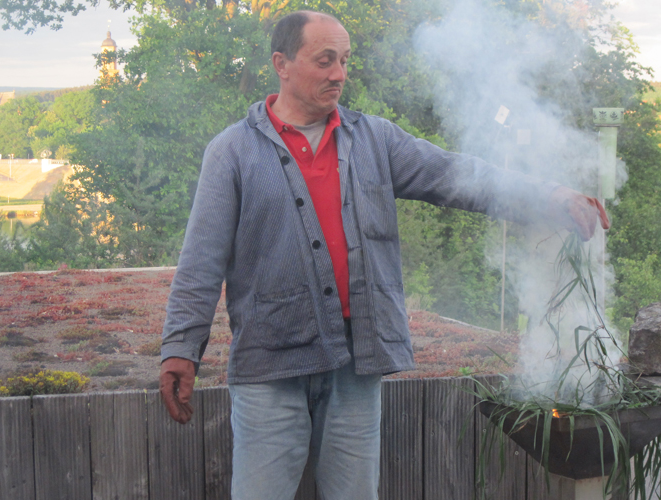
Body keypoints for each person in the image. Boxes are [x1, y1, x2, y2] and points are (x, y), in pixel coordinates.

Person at [159, 10, 610, 500]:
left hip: (357, 361)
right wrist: (182, 348)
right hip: (270, 365)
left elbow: (457, 176)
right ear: (281, 64)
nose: (339, 73)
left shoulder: (374, 138)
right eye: (325, 60)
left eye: (345, 61)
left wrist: (549, 196)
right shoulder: (232, 152)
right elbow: (200, 261)